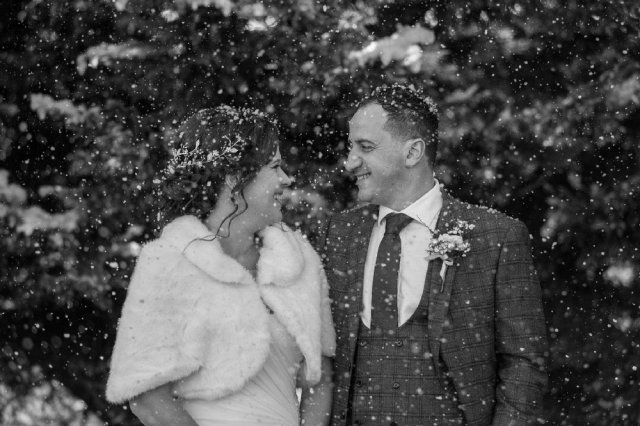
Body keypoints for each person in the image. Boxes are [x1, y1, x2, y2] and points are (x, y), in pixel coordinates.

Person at [317, 84, 548, 425]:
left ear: (413, 153)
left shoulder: (495, 236)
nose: (350, 162)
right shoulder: (338, 233)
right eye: (351, 147)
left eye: (365, 147)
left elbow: (524, 365)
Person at [105, 105, 335, 426]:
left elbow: (321, 380)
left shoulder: (299, 260)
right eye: (275, 167)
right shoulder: (167, 261)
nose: (286, 179)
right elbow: (146, 396)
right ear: (235, 177)